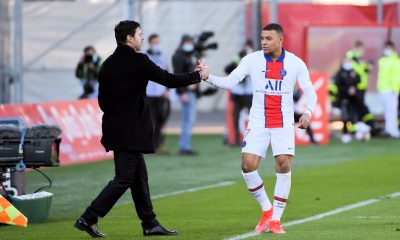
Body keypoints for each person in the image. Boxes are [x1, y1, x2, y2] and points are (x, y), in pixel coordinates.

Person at [74, 20, 208, 238]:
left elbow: (102, 101)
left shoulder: (107, 64)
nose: (142, 38)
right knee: (124, 178)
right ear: (129, 38)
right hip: (131, 130)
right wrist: (198, 75)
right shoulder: (138, 60)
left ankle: (150, 223)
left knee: (139, 178)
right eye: (140, 34)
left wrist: (118, 115)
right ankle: (89, 218)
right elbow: (169, 80)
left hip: (115, 128)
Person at [197, 23, 317, 234]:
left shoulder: (295, 63)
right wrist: (208, 77)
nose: (264, 42)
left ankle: (276, 220)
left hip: (283, 123)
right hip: (258, 121)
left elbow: (310, 91)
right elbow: (229, 82)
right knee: (247, 165)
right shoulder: (251, 60)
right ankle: (266, 209)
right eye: (262, 38)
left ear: (280, 40)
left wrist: (308, 112)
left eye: (269, 38)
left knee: (283, 166)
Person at [172, 35, 199, 156]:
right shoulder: (178, 56)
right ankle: (184, 147)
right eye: (187, 42)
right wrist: (182, 92)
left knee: (190, 120)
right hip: (186, 91)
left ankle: (185, 146)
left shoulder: (191, 55)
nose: (190, 44)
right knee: (188, 120)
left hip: (191, 91)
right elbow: (177, 75)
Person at [225, 39, 254, 146]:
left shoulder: (255, 58)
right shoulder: (237, 57)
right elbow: (227, 69)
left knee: (255, 116)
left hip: (249, 92)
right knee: (235, 115)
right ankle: (236, 139)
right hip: (238, 92)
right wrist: (238, 60)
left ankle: (255, 139)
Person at [145, 34, 171, 153]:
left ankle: (159, 145)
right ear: (150, 43)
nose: (157, 45)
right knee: (150, 120)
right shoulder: (144, 56)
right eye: (155, 42)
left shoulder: (163, 56)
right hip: (148, 94)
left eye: (158, 42)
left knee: (161, 119)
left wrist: (167, 90)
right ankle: (148, 146)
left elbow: (167, 74)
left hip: (161, 94)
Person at [334, 57, 361, 143]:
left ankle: (354, 132)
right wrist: (347, 90)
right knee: (345, 117)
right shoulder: (339, 73)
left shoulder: (354, 71)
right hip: (343, 98)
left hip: (353, 99)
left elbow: (358, 80)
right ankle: (345, 133)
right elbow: (338, 85)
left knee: (354, 115)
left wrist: (354, 89)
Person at [377, 41, 400, 138]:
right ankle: (389, 129)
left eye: (389, 48)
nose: (387, 50)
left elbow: (397, 76)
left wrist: (395, 87)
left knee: (393, 111)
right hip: (383, 88)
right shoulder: (382, 60)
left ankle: (393, 130)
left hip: (392, 89)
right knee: (387, 111)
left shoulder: (396, 61)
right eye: (386, 48)